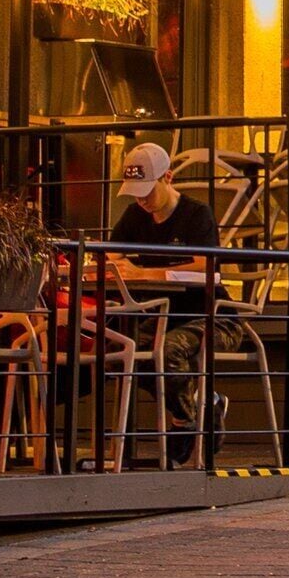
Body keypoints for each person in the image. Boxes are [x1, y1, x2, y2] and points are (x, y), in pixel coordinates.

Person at [106, 142, 219, 461]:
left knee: (166, 351)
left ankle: (183, 420)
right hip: (156, 315)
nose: (141, 199)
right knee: (118, 353)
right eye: (135, 191)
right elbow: (110, 256)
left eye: (147, 190)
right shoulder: (134, 215)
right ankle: (200, 406)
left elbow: (204, 264)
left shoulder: (197, 214)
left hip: (206, 315)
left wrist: (145, 271)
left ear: (167, 177)